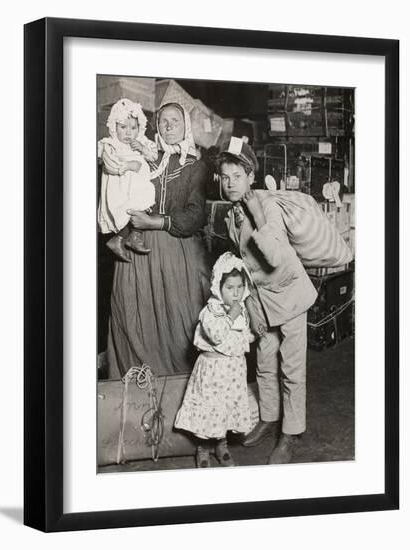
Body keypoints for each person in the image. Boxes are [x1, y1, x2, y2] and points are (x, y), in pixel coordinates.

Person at [217, 138, 318, 464]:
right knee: (263, 362)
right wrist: (248, 307)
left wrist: (258, 213)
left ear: (251, 176)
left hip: (289, 295)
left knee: (291, 369)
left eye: (237, 176)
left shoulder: (267, 205)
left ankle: (291, 433)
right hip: (260, 299)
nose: (230, 183)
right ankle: (270, 417)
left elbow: (273, 255)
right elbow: (241, 264)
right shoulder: (230, 213)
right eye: (225, 177)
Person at [104, 102, 211, 379]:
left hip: (175, 253)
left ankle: (181, 394)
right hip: (136, 254)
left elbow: (195, 216)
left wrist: (155, 221)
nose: (168, 125)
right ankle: (133, 397)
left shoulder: (196, 167)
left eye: (175, 120)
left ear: (186, 126)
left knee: (177, 325)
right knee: (133, 319)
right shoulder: (144, 157)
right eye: (163, 121)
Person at [174, 252, 255, 468]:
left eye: (239, 287)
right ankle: (203, 447)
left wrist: (254, 334)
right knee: (209, 409)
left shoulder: (242, 309)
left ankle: (222, 444)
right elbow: (216, 334)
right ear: (218, 287)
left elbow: (241, 336)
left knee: (225, 408)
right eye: (230, 288)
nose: (235, 293)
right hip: (212, 370)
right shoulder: (210, 311)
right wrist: (231, 316)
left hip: (232, 370)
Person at [98, 98, 158, 262]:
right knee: (125, 210)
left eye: (133, 127)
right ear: (113, 127)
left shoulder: (142, 141)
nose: (128, 132)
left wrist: (143, 149)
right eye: (123, 127)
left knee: (145, 202)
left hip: (139, 185)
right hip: (120, 186)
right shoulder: (110, 144)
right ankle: (118, 238)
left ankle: (133, 237)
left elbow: (154, 156)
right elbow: (109, 165)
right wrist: (128, 165)